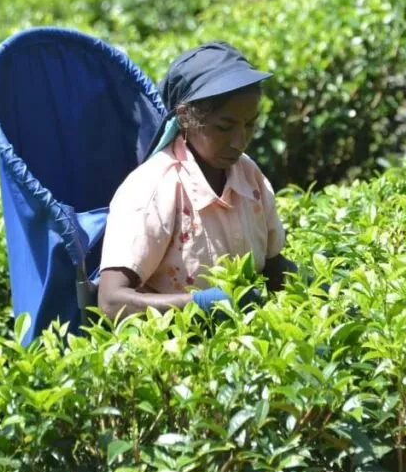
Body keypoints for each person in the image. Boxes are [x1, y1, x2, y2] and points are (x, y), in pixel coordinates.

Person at [97, 41, 297, 320]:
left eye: (249, 124)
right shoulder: (153, 189)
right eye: (224, 127)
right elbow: (111, 301)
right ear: (185, 118)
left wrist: (325, 290)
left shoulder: (249, 177)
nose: (240, 141)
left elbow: (274, 269)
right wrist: (199, 305)